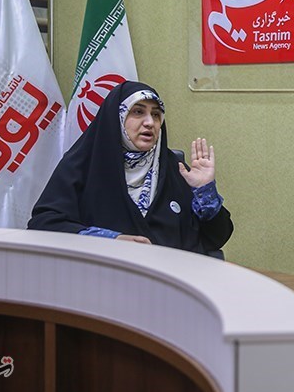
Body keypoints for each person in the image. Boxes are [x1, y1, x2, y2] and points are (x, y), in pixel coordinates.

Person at [28, 80, 233, 259]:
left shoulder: (174, 168)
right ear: (116, 117)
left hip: (171, 281)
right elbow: (43, 224)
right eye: (138, 112)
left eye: (156, 114)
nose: (149, 122)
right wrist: (111, 240)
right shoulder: (83, 164)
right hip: (102, 278)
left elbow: (216, 238)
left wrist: (205, 191)